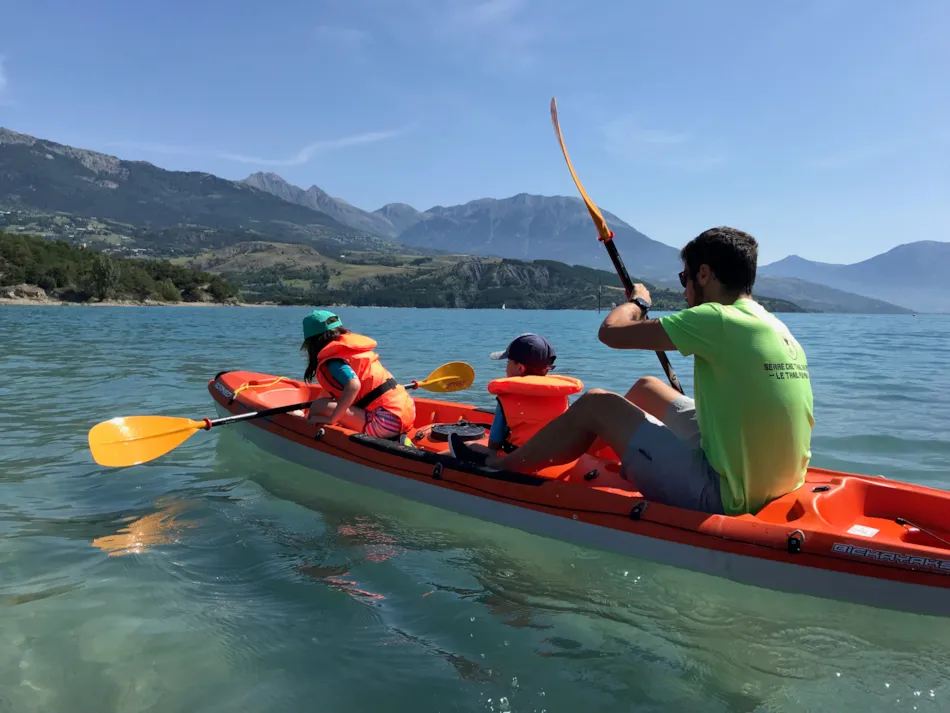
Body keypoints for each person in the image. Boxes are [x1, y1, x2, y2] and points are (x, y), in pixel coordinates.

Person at [452, 227, 814, 517]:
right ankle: (586, 454)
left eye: (685, 276)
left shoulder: (716, 318)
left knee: (596, 404)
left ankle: (504, 464)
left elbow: (610, 333)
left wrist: (637, 302)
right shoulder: (773, 325)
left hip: (726, 494)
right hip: (779, 479)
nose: (685, 287)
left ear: (704, 274)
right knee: (647, 387)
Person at [449, 334, 584, 460]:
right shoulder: (560, 394)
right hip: (552, 456)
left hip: (516, 458)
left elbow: (494, 444)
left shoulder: (506, 397)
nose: (506, 367)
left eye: (508, 362)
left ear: (520, 368)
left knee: (469, 446)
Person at [299, 309, 416, 439]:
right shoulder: (350, 352)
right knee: (321, 404)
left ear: (312, 343)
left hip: (386, 423)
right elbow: (327, 394)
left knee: (318, 406)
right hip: (406, 413)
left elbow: (353, 385)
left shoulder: (334, 362)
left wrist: (331, 418)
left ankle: (310, 429)